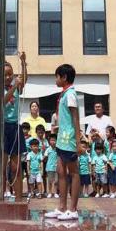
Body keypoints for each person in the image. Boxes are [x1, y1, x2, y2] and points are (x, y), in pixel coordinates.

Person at [45, 64, 81, 222]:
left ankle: (73, 210)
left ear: (64, 77)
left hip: (69, 140)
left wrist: (78, 141)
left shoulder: (71, 94)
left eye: (57, 76)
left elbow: (75, 118)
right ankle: (62, 207)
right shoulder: (64, 94)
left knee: (74, 172)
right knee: (60, 171)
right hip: (61, 139)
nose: (55, 80)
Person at [3, 51, 28, 199]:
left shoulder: (17, 87)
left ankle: (18, 198)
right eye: (5, 75)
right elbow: (3, 101)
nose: (8, 77)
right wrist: (14, 87)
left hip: (15, 127)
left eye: (10, 74)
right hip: (3, 127)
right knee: (1, 167)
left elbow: (24, 79)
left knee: (15, 167)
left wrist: (23, 63)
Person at [44, 134, 59, 198]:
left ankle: (55, 192)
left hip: (56, 167)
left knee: (56, 181)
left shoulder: (58, 149)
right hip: (49, 167)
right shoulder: (48, 149)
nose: (53, 142)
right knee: (50, 181)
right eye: (51, 140)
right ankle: (50, 192)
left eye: (54, 140)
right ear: (49, 141)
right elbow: (45, 157)